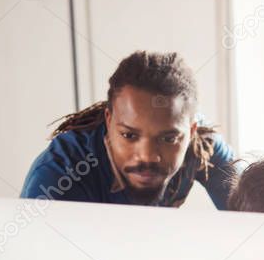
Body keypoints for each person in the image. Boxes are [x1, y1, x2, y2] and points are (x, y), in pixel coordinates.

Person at [21, 51, 236, 208]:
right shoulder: (59, 176)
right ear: (108, 121)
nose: (147, 156)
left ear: (191, 131)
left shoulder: (203, 147)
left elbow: (254, 223)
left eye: (168, 139)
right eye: (129, 135)